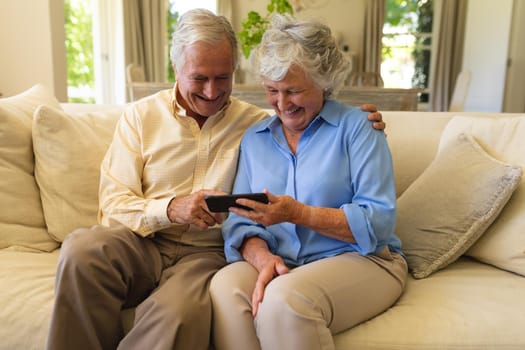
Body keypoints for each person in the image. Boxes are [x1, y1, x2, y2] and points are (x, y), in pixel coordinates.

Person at [46, 9, 386, 350]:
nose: (212, 92)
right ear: (176, 69)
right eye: (199, 78)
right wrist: (171, 210)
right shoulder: (141, 117)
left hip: (203, 253)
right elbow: (112, 206)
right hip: (140, 242)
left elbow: (308, 109)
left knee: (177, 313)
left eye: (222, 78)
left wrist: (345, 114)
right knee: (82, 250)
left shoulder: (255, 125)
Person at [209, 14, 408, 350]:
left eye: (294, 91)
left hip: (362, 258)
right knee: (226, 287)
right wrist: (262, 258)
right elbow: (239, 224)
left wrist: (298, 214)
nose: (282, 104)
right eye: (272, 91)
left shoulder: (358, 129)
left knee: (285, 299)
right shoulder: (254, 139)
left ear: (325, 83)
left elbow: (379, 222)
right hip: (284, 259)